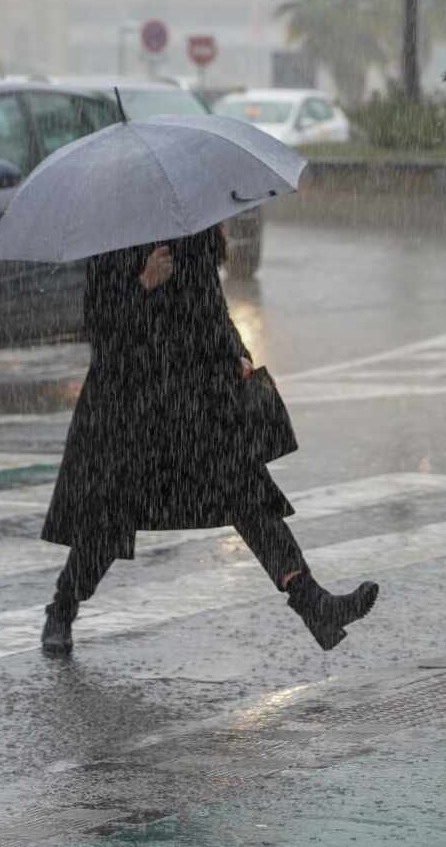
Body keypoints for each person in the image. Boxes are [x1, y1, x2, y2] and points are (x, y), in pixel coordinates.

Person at [38, 225, 378, 654]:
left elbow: (210, 307)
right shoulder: (114, 236)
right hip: (130, 407)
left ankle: (314, 605)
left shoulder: (190, 229)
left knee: (247, 497)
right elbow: (102, 333)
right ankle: (62, 609)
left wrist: (236, 350)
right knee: (108, 518)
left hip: (195, 398)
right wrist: (144, 285)